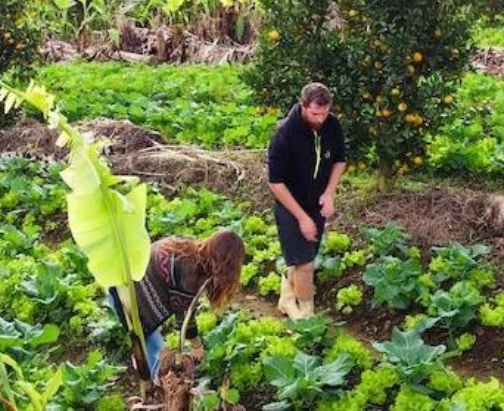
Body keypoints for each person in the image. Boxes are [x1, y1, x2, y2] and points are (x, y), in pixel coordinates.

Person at [108, 229, 245, 380]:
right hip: (130, 300)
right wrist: (196, 346)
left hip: (122, 282)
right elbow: (184, 316)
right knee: (157, 361)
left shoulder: (187, 244)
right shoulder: (189, 273)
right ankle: (154, 387)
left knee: (151, 347)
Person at [268, 82, 346, 319]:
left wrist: (329, 193)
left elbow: (340, 160)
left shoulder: (331, 125)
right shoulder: (285, 133)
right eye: (314, 114)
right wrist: (301, 217)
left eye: (324, 113)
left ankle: (286, 298)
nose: (320, 119)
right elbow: (275, 182)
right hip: (290, 204)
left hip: (316, 203)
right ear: (303, 106)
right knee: (305, 264)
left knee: (305, 257)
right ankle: (306, 315)